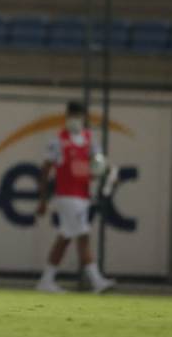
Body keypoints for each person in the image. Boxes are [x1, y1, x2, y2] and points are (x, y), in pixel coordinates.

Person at [34, 101, 116, 294]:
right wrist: (43, 199)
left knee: (65, 237)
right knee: (83, 236)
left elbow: (97, 165)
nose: (75, 120)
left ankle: (46, 279)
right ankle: (97, 281)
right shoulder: (58, 141)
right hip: (67, 196)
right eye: (72, 115)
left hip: (83, 195)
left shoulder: (90, 139)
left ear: (84, 118)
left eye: (78, 116)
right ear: (66, 117)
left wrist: (107, 171)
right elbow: (46, 170)